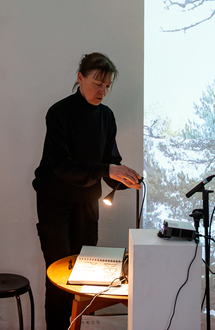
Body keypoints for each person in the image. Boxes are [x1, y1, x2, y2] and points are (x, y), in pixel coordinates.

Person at [33, 53, 141, 330]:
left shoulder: (106, 116)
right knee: (58, 276)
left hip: (87, 204)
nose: (102, 91)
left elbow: (110, 160)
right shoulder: (59, 113)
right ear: (80, 78)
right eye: (97, 83)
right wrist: (107, 170)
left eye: (107, 86)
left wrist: (125, 179)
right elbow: (62, 166)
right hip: (55, 203)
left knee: (85, 274)